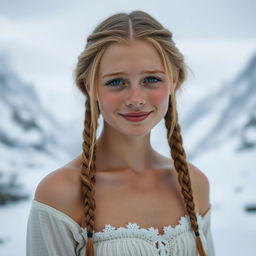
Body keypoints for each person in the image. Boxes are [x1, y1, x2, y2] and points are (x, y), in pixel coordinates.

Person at [26, 10, 215, 256]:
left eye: (151, 79)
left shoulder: (194, 183)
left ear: (174, 80)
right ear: (89, 86)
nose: (136, 99)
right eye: (116, 82)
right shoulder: (60, 193)